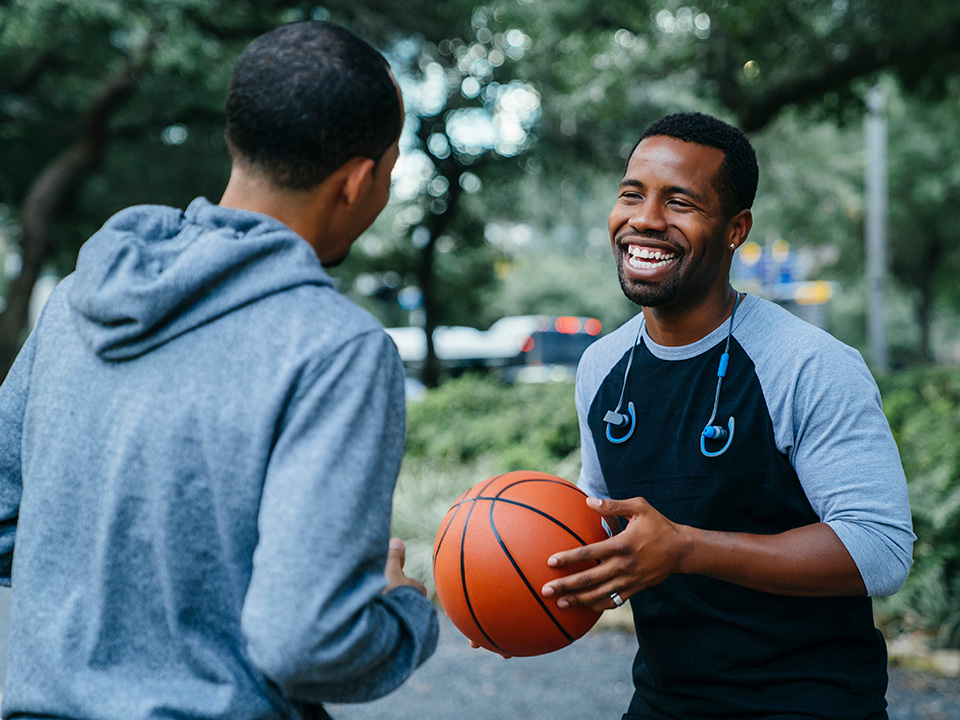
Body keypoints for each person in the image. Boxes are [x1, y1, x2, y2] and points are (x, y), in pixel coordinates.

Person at [0, 21, 437, 720]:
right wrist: (403, 611)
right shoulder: (337, 349)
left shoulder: (77, 302)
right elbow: (306, 641)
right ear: (358, 182)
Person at [541, 112, 914, 719]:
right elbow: (607, 529)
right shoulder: (601, 366)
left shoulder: (808, 363)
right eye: (632, 193)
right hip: (665, 701)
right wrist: (508, 592)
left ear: (736, 228)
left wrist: (686, 548)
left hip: (809, 703)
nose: (645, 219)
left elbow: (879, 548)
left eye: (680, 201)